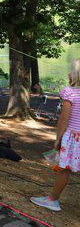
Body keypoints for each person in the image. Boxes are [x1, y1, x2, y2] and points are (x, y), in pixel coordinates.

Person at [31, 58, 80, 212]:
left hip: (72, 138)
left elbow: (64, 119)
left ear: (75, 74)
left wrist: (58, 139)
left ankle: (53, 200)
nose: (68, 73)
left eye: (71, 70)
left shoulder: (70, 93)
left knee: (63, 170)